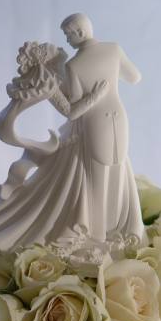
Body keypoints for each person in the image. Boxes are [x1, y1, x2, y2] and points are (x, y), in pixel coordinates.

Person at [0, 41, 117, 259]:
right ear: (49, 60)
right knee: (73, 186)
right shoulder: (51, 84)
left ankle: (91, 227)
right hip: (77, 136)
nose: (61, 48)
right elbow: (71, 112)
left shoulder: (70, 71)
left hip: (89, 133)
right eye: (54, 49)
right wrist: (95, 97)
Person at [61, 13, 144, 245]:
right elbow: (135, 77)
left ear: (80, 32)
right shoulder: (114, 49)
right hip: (119, 116)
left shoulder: (73, 65)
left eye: (68, 35)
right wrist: (109, 72)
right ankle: (115, 229)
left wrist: (93, 97)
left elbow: (73, 111)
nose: (67, 40)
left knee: (97, 176)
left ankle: (97, 234)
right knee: (117, 170)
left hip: (96, 123)